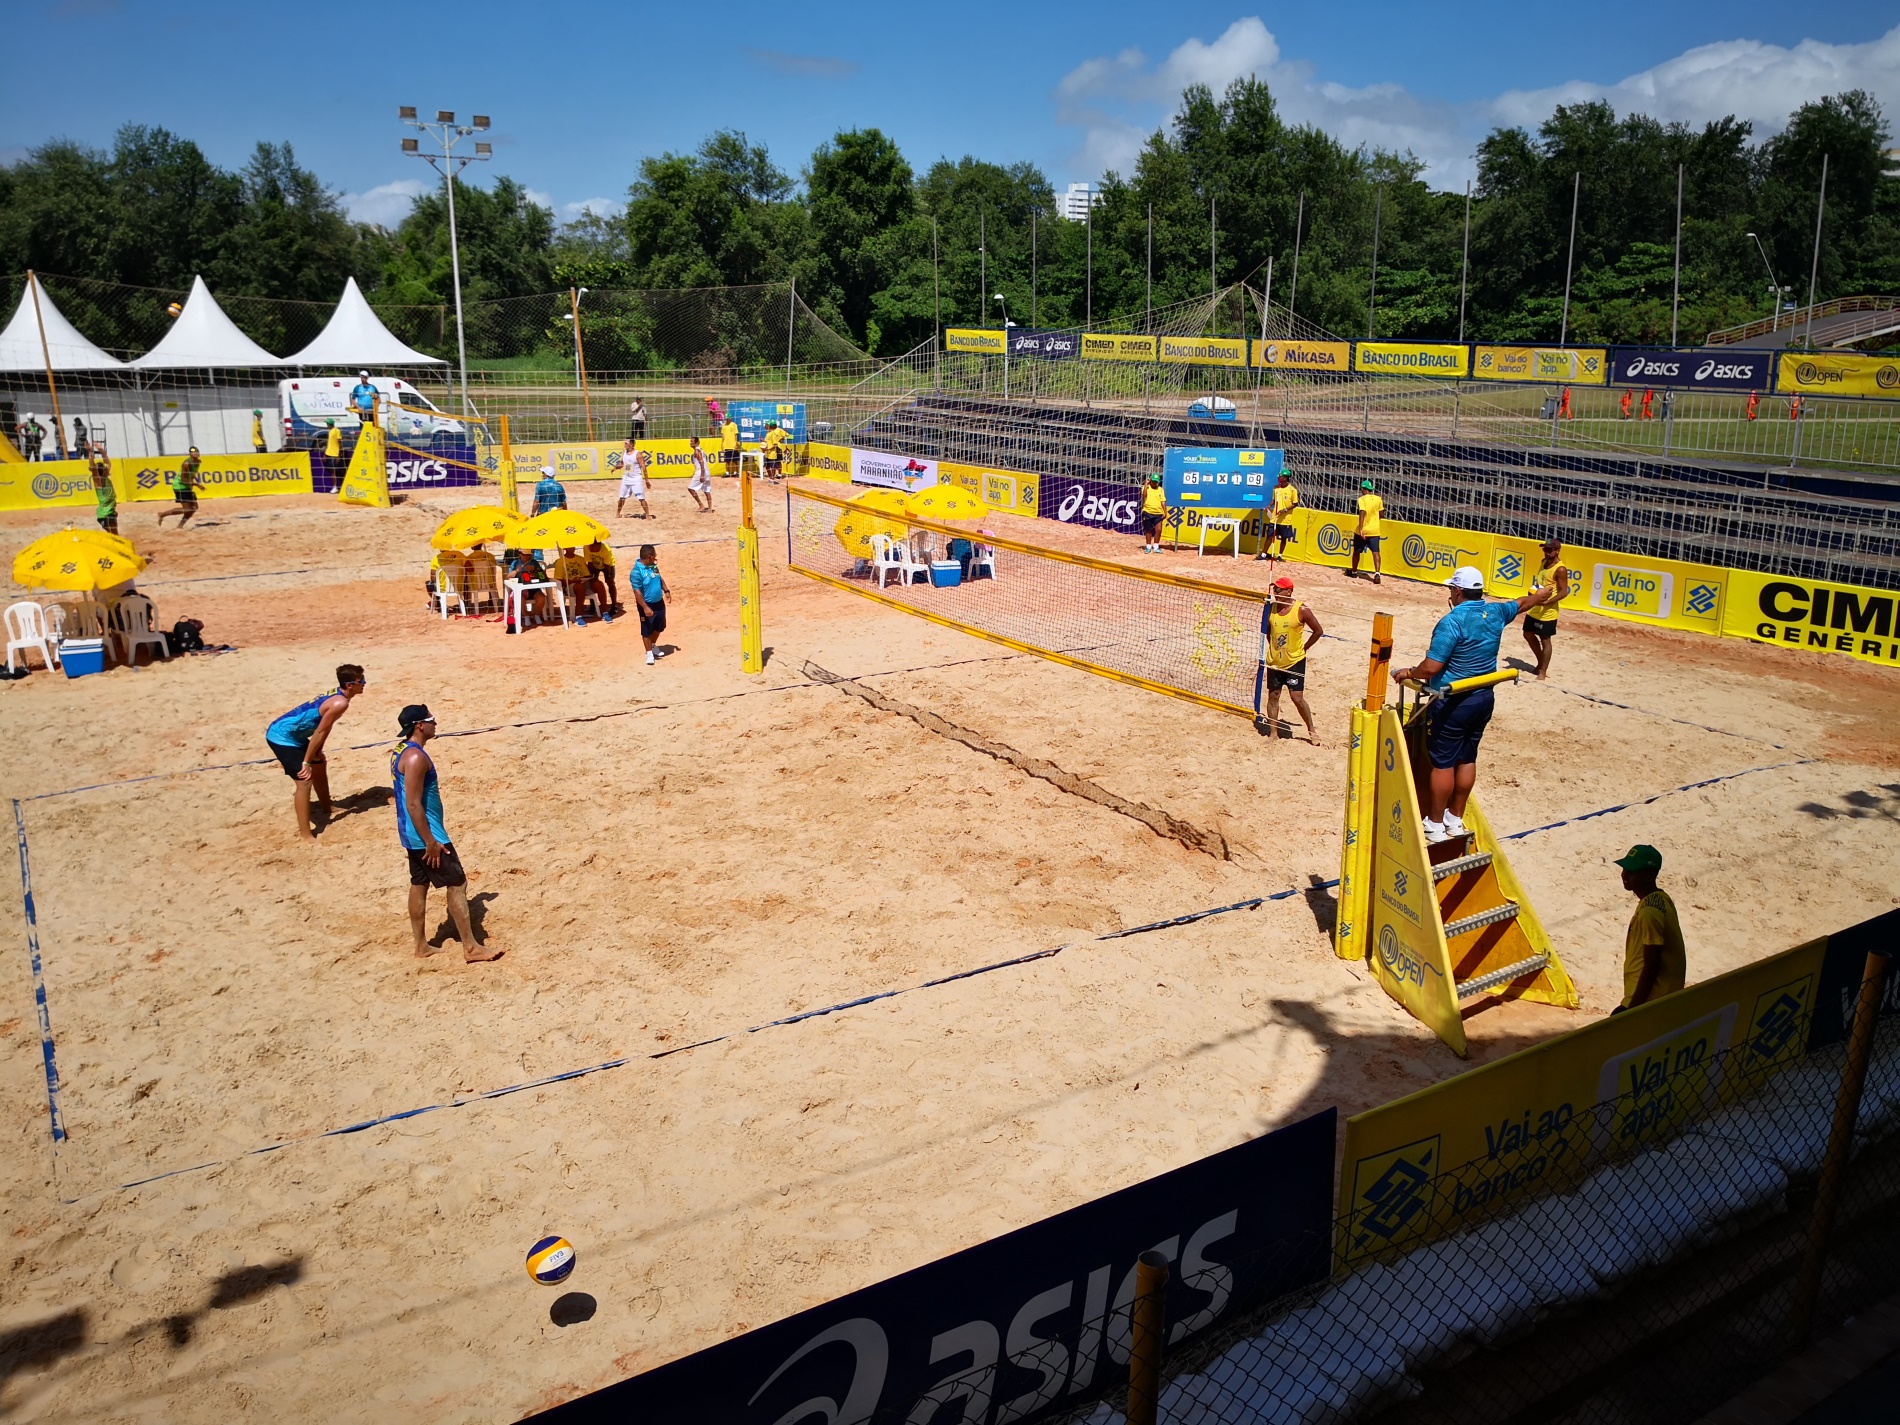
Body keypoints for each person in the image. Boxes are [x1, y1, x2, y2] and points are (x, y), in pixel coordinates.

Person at [1391, 563, 1570, 844]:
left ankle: (1436, 824)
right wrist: (1540, 596)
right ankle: (1455, 818)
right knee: (1467, 757)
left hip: (1455, 699)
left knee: (1443, 763)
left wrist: (1409, 673)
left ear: (1458, 590)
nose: (1450, 593)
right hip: (1483, 697)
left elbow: (1431, 667)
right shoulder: (1496, 612)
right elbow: (1521, 603)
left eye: (1451, 588)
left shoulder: (1452, 621)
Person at [393, 705, 502, 963]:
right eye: (431, 720)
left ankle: (421, 945)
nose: (435, 723)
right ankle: (471, 948)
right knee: (457, 884)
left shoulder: (399, 751)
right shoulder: (417, 758)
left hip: (409, 833)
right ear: (420, 725)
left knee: (419, 884)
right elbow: (414, 804)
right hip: (427, 835)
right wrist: (431, 841)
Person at [265, 664, 366, 841]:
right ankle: (305, 834)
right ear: (349, 685)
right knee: (304, 780)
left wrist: (317, 751)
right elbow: (319, 731)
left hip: (295, 735)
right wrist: (306, 761)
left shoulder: (340, 696)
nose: (364, 683)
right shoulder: (340, 702)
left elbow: (325, 728)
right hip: (281, 736)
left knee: (320, 763)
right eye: (361, 681)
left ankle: (327, 807)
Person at [1612, 845, 1685, 1012]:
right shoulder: (1662, 898)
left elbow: (1652, 966)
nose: (1625, 875)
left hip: (1650, 1001)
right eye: (1625, 869)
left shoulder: (1649, 912)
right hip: (1663, 998)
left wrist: (1633, 1009)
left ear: (1651, 875)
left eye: (1633, 871)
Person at [1263, 574, 1324, 744]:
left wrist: (1305, 647)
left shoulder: (1301, 610)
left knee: (1296, 697)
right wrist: (1275, 648)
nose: (1275, 591)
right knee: (1273, 696)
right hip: (1275, 661)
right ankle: (1273, 733)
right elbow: (1269, 632)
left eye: (1279, 589)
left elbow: (1318, 630)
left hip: (1295, 661)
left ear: (1289, 591)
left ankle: (1311, 729)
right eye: (1274, 588)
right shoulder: (1270, 608)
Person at [1521, 538, 1571, 680]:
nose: (1546, 552)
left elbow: (1564, 592)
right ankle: (1540, 662)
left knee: (1545, 639)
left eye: (1549, 550)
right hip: (1536, 605)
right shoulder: (1543, 563)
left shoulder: (1560, 569)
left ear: (1557, 551)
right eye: (1545, 549)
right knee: (1527, 634)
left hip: (1548, 611)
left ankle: (1543, 671)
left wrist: (1548, 602)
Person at [630, 543, 668, 665]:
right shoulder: (636, 572)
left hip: (659, 602)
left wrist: (666, 590)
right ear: (649, 556)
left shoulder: (653, 566)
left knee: (659, 627)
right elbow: (637, 592)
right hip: (646, 604)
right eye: (654, 555)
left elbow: (659, 578)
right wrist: (645, 607)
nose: (656, 557)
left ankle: (652, 645)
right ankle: (649, 653)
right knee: (646, 630)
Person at [550, 546, 607, 627]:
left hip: (582, 583)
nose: (571, 548)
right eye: (569, 547)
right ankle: (578, 616)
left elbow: (586, 574)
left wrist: (587, 578)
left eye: (572, 547)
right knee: (579, 587)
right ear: (565, 548)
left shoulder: (580, 559)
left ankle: (605, 612)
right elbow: (559, 579)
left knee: (599, 584)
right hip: (569, 586)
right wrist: (573, 581)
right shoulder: (560, 561)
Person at [504, 547, 549, 632]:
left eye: (528, 555)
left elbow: (541, 574)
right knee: (520, 599)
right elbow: (508, 576)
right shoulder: (515, 563)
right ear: (520, 554)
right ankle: (526, 616)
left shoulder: (534, 562)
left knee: (541, 597)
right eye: (525, 554)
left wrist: (535, 571)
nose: (527, 557)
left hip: (533, 587)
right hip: (521, 588)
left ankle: (536, 614)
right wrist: (517, 570)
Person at [156, 446, 201, 528]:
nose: (196, 453)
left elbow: (191, 475)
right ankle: (162, 514)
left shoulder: (198, 462)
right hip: (180, 486)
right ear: (190, 454)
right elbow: (183, 480)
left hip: (187, 486)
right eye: (193, 451)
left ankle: (180, 526)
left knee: (194, 508)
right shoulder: (186, 464)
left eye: (197, 451)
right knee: (187, 509)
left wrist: (191, 485)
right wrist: (196, 485)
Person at [1350, 479, 1383, 584]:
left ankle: (1354, 571)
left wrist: (1361, 529)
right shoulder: (1378, 499)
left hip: (1363, 530)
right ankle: (1377, 573)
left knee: (1356, 552)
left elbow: (1362, 513)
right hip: (1375, 530)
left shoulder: (1362, 499)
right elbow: (1381, 514)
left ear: (1364, 489)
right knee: (1376, 552)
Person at [1263, 469, 1299, 562]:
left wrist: (1285, 510)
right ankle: (1263, 554)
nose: (1279, 478)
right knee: (1270, 536)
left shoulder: (1292, 490)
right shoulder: (1276, 488)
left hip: (1285, 519)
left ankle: (1279, 555)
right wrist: (1268, 506)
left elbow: (1295, 504)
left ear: (1285, 478)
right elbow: (1274, 500)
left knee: (1284, 538)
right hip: (1274, 517)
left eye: (1280, 477)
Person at [89, 442, 117, 535]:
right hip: (105, 514)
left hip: (109, 512)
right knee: (114, 535)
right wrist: (90, 452)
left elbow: (108, 463)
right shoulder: (99, 483)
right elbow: (93, 468)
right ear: (103, 471)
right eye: (104, 469)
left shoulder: (105, 478)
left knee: (113, 535)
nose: (107, 469)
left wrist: (101, 450)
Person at [585, 538, 619, 613]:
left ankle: (614, 605)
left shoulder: (606, 550)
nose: (591, 549)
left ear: (599, 546)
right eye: (590, 546)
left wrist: (609, 576)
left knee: (610, 583)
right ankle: (593, 605)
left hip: (608, 565)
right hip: (594, 565)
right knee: (592, 582)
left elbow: (607, 565)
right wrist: (592, 576)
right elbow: (590, 563)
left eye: (593, 547)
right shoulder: (586, 547)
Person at [617, 440, 649, 519]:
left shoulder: (638, 454)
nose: (624, 444)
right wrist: (615, 468)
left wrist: (647, 480)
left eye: (626, 443)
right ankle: (617, 513)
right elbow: (622, 463)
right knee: (622, 497)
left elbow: (643, 467)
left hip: (636, 479)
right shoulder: (625, 452)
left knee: (641, 498)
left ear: (631, 444)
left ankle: (648, 515)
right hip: (626, 478)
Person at [1139, 473, 1165, 553]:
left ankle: (1156, 546)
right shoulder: (1146, 488)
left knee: (1159, 530)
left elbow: (1163, 501)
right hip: (1148, 511)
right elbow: (1144, 495)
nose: (1154, 483)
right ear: (1150, 481)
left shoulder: (1160, 489)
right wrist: (1146, 484)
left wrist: (1165, 511)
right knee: (1148, 530)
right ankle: (1148, 546)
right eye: (1153, 481)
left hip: (1158, 512)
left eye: (1156, 482)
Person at [686, 436, 713, 513]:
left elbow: (701, 462)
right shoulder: (701, 450)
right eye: (690, 441)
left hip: (702, 472)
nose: (690, 443)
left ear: (697, 442)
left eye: (692, 441)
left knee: (691, 488)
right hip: (706, 471)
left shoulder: (697, 451)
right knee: (706, 490)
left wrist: (702, 474)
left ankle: (701, 505)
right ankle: (710, 508)